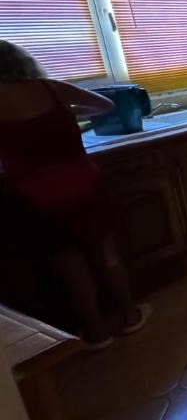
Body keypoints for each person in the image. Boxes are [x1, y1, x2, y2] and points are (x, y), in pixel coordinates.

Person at [0, 40, 150, 349]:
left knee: (71, 267)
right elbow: (105, 105)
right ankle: (130, 315)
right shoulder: (50, 89)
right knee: (107, 256)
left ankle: (97, 333)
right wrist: (68, 113)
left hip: (36, 197)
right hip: (83, 185)